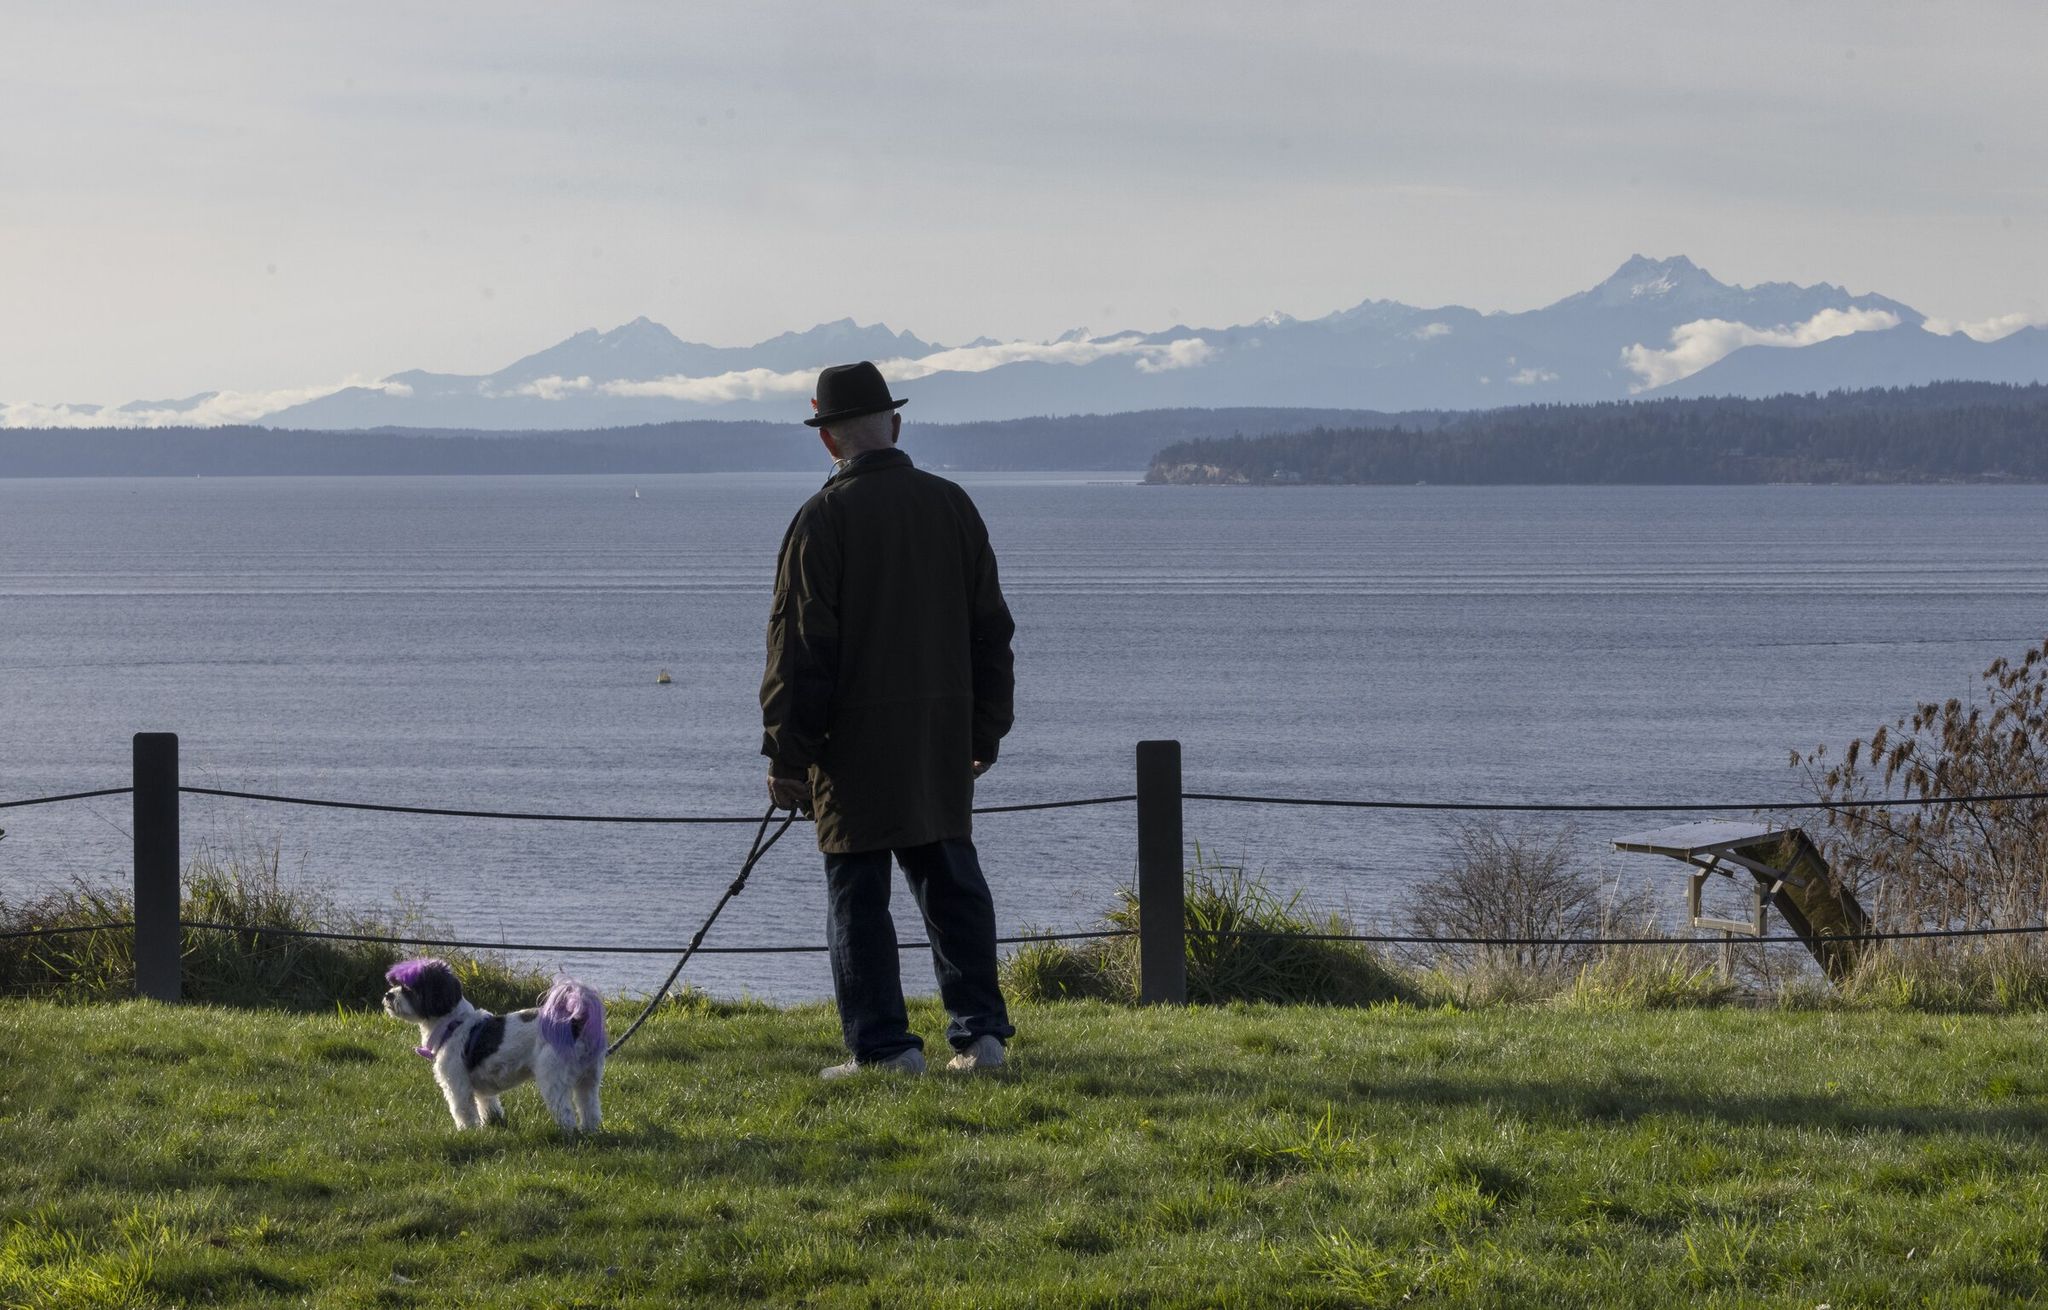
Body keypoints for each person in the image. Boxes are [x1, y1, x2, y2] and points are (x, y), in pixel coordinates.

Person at [760, 360, 1017, 1079]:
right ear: (895, 426)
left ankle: (885, 1049)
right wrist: (984, 733)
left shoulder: (822, 520)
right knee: (953, 886)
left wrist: (787, 755)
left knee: (858, 899)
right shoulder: (952, 506)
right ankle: (982, 1037)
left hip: (852, 748)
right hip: (941, 740)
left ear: (828, 440)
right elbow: (991, 632)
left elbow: (800, 649)